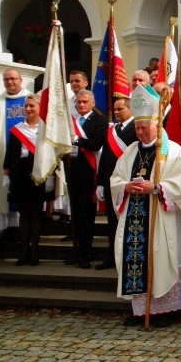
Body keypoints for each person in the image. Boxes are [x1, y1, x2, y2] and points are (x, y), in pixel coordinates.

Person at [110, 84, 181, 328]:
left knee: (161, 258)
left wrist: (158, 188)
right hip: (134, 217)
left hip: (162, 217)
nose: (140, 132)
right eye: (138, 128)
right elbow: (116, 179)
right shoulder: (130, 152)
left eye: (145, 127)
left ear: (156, 126)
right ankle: (142, 310)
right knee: (136, 259)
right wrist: (125, 187)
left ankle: (168, 309)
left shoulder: (172, 151)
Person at [3, 95, 55, 266]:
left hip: (39, 173)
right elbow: (9, 154)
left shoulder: (47, 129)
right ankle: (24, 251)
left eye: (32, 105)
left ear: (40, 107)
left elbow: (52, 155)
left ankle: (35, 251)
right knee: (23, 213)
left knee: (36, 213)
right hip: (20, 174)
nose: (29, 109)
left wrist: (51, 177)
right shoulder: (17, 129)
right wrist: (6, 176)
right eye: (26, 106)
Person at [94, 97, 137, 270]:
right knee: (112, 221)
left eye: (120, 109)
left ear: (130, 109)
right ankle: (111, 256)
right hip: (113, 182)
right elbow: (104, 158)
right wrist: (100, 183)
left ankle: (127, 258)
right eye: (115, 109)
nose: (117, 112)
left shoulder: (137, 128)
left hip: (130, 181)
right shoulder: (111, 130)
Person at [67, 89, 108, 269]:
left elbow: (97, 143)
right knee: (75, 214)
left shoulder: (99, 120)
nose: (81, 105)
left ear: (93, 103)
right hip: (72, 171)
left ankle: (85, 253)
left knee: (86, 215)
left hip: (90, 172)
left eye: (85, 102)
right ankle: (75, 252)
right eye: (79, 102)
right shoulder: (71, 121)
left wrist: (77, 140)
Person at [0, 68, 29, 236]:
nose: (10, 82)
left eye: (13, 79)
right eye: (6, 79)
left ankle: (23, 230)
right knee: (3, 191)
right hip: (4, 152)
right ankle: (6, 231)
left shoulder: (31, 99)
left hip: (26, 155)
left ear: (21, 80)